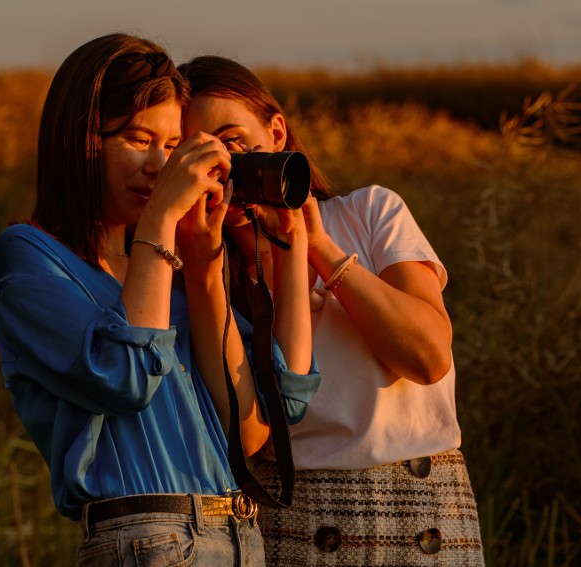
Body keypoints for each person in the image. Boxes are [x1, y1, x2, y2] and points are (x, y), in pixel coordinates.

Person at [0, 35, 319, 566]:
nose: (158, 166)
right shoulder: (28, 256)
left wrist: (284, 247)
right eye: (139, 140)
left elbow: (274, 410)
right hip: (146, 538)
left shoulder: (174, 274)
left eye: (172, 147)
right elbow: (125, 375)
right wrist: (162, 219)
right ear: (79, 140)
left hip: (237, 534)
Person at [179, 55, 485, 566]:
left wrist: (318, 247)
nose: (227, 167)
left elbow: (430, 357)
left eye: (235, 143)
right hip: (294, 519)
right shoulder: (201, 269)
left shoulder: (369, 212)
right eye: (201, 153)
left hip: (427, 508)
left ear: (276, 132)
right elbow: (249, 431)